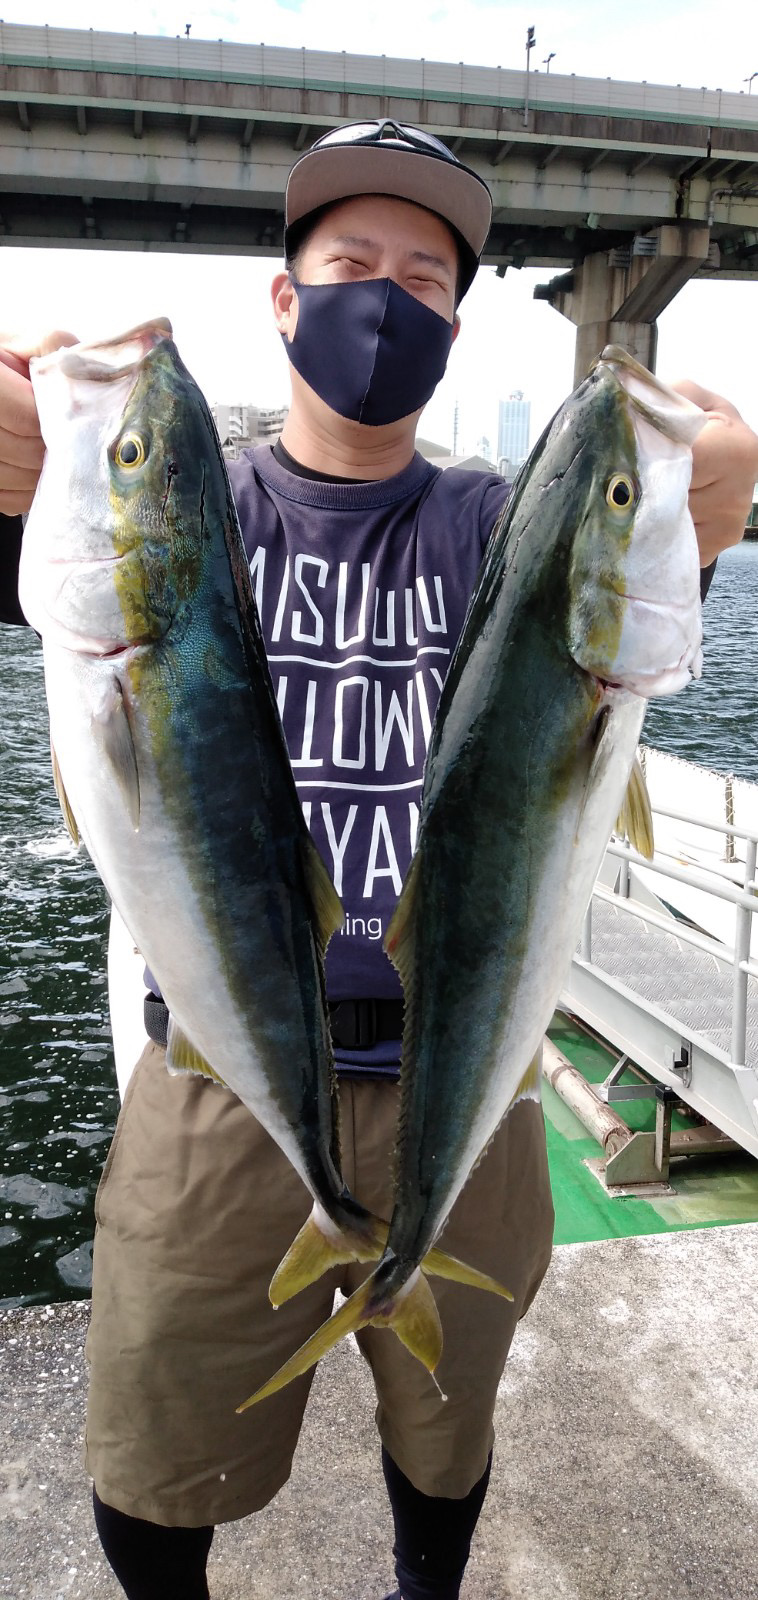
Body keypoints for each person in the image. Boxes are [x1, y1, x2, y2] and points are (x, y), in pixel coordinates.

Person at [0, 120, 756, 1600]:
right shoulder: (178, 507)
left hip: (457, 1057)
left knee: (446, 1430)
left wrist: (707, 476)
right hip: (218, 1080)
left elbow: (645, 562)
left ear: (455, 326)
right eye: (351, 264)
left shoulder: (499, 524)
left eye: (423, 277)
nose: (384, 300)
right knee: (154, 1454)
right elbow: (68, 571)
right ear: (283, 301)